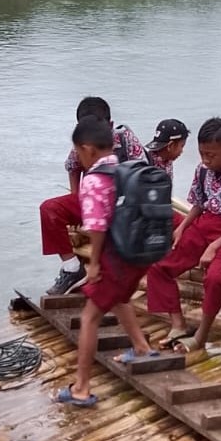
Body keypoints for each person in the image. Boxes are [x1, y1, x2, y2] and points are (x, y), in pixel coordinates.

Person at [56, 117, 155, 407]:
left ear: (87, 150)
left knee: (89, 318)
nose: (77, 158)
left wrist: (95, 263)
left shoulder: (95, 181)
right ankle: (141, 347)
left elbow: (97, 227)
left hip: (116, 256)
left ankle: (81, 388)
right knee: (119, 297)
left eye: (77, 152)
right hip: (141, 254)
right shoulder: (126, 169)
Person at [146, 118, 221, 353]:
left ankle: (201, 334)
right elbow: (199, 205)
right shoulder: (203, 170)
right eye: (202, 154)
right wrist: (182, 228)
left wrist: (214, 247)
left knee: (214, 279)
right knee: (159, 266)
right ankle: (178, 323)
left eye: (211, 155)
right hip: (203, 227)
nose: (205, 160)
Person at [40, 96, 145, 295]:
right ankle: (71, 267)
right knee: (49, 209)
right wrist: (76, 196)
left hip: (123, 206)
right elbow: (72, 167)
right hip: (93, 199)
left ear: (110, 125)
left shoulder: (125, 139)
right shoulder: (82, 143)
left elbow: (143, 173)